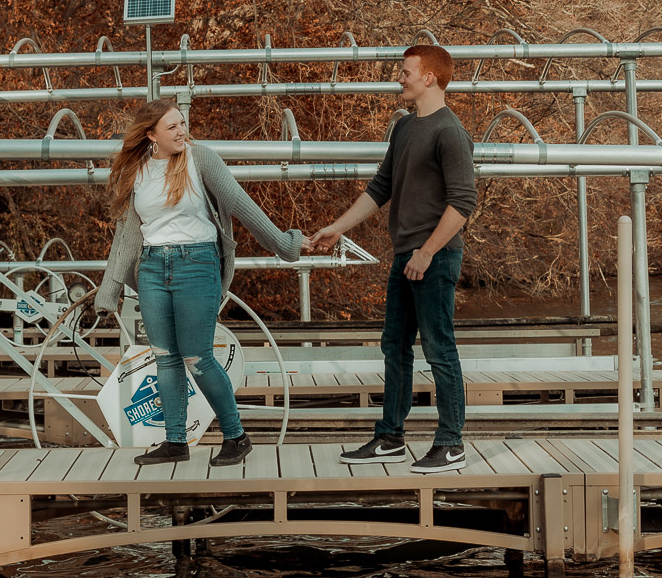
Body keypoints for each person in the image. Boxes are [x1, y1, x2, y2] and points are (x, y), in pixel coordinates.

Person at [95, 98, 303, 466]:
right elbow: (127, 235)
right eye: (172, 126)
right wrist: (108, 291)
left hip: (198, 264)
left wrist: (285, 245)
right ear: (151, 135)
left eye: (182, 123)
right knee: (165, 359)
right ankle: (175, 442)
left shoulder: (200, 158)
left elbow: (242, 205)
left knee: (198, 358)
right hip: (153, 269)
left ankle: (236, 436)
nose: (181, 131)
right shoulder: (137, 171)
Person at [305, 45, 477, 473]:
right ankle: (390, 438)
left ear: (429, 78)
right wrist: (338, 227)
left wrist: (426, 251)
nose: (399, 78)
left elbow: (462, 203)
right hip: (406, 256)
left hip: (433, 259)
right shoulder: (403, 128)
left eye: (406, 72)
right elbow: (381, 187)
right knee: (394, 347)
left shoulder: (450, 132)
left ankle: (451, 443)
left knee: (440, 350)